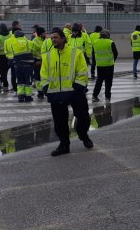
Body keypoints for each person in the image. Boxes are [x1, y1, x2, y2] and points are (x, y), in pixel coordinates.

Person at [39, 28, 92, 157]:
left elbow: (83, 71)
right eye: (51, 38)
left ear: (63, 38)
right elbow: (44, 73)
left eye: (56, 37)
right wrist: (45, 87)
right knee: (59, 122)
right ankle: (64, 145)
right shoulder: (47, 55)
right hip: (56, 93)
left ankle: (83, 134)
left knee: (83, 117)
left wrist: (78, 86)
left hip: (75, 92)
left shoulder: (76, 53)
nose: (53, 40)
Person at [7, 27, 35, 102]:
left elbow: (11, 53)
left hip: (17, 65)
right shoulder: (29, 42)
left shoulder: (12, 44)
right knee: (28, 81)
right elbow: (34, 50)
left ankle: (20, 96)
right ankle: (28, 97)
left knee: (19, 81)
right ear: (23, 35)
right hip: (28, 65)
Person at [92, 30, 118, 102]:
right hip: (109, 65)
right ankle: (107, 96)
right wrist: (113, 60)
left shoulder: (95, 42)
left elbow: (93, 54)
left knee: (99, 81)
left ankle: (95, 95)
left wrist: (95, 62)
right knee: (108, 81)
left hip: (100, 65)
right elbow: (116, 53)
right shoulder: (110, 42)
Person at [31, 26, 48, 99]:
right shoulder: (34, 41)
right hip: (38, 62)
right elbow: (32, 53)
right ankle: (40, 92)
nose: (46, 34)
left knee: (46, 77)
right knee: (37, 78)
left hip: (47, 62)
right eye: (44, 33)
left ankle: (46, 90)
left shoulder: (47, 40)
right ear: (41, 34)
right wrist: (35, 61)